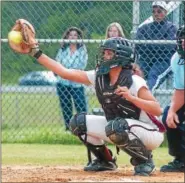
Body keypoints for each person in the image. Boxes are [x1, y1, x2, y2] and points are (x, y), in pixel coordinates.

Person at [9, 19, 165, 176]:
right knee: (79, 123)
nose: (104, 56)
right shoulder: (99, 76)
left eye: (109, 53)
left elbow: (157, 109)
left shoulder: (134, 81)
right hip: (120, 126)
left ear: (121, 57)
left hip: (150, 132)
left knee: (116, 126)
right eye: (104, 52)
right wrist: (35, 52)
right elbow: (64, 72)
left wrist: (132, 98)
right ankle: (105, 161)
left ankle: (145, 161)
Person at [135, 1, 177, 90]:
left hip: (164, 60)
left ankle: (146, 96)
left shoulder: (171, 27)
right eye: (154, 12)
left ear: (165, 12)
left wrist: (148, 44)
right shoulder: (144, 28)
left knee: (153, 74)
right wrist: (157, 44)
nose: (156, 14)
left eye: (159, 11)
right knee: (137, 73)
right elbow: (139, 47)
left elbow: (168, 48)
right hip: (146, 58)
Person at [160, 25, 185, 172]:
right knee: (169, 115)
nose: (183, 43)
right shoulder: (177, 59)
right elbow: (180, 90)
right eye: (182, 39)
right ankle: (181, 159)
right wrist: (173, 110)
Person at [55, 27, 88, 131]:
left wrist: (66, 70)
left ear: (78, 38)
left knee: (81, 106)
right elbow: (58, 62)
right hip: (63, 82)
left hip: (77, 82)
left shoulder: (82, 50)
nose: (73, 37)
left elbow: (82, 65)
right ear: (67, 37)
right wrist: (66, 71)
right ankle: (68, 128)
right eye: (71, 35)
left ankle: (82, 127)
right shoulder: (63, 49)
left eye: (75, 35)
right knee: (66, 106)